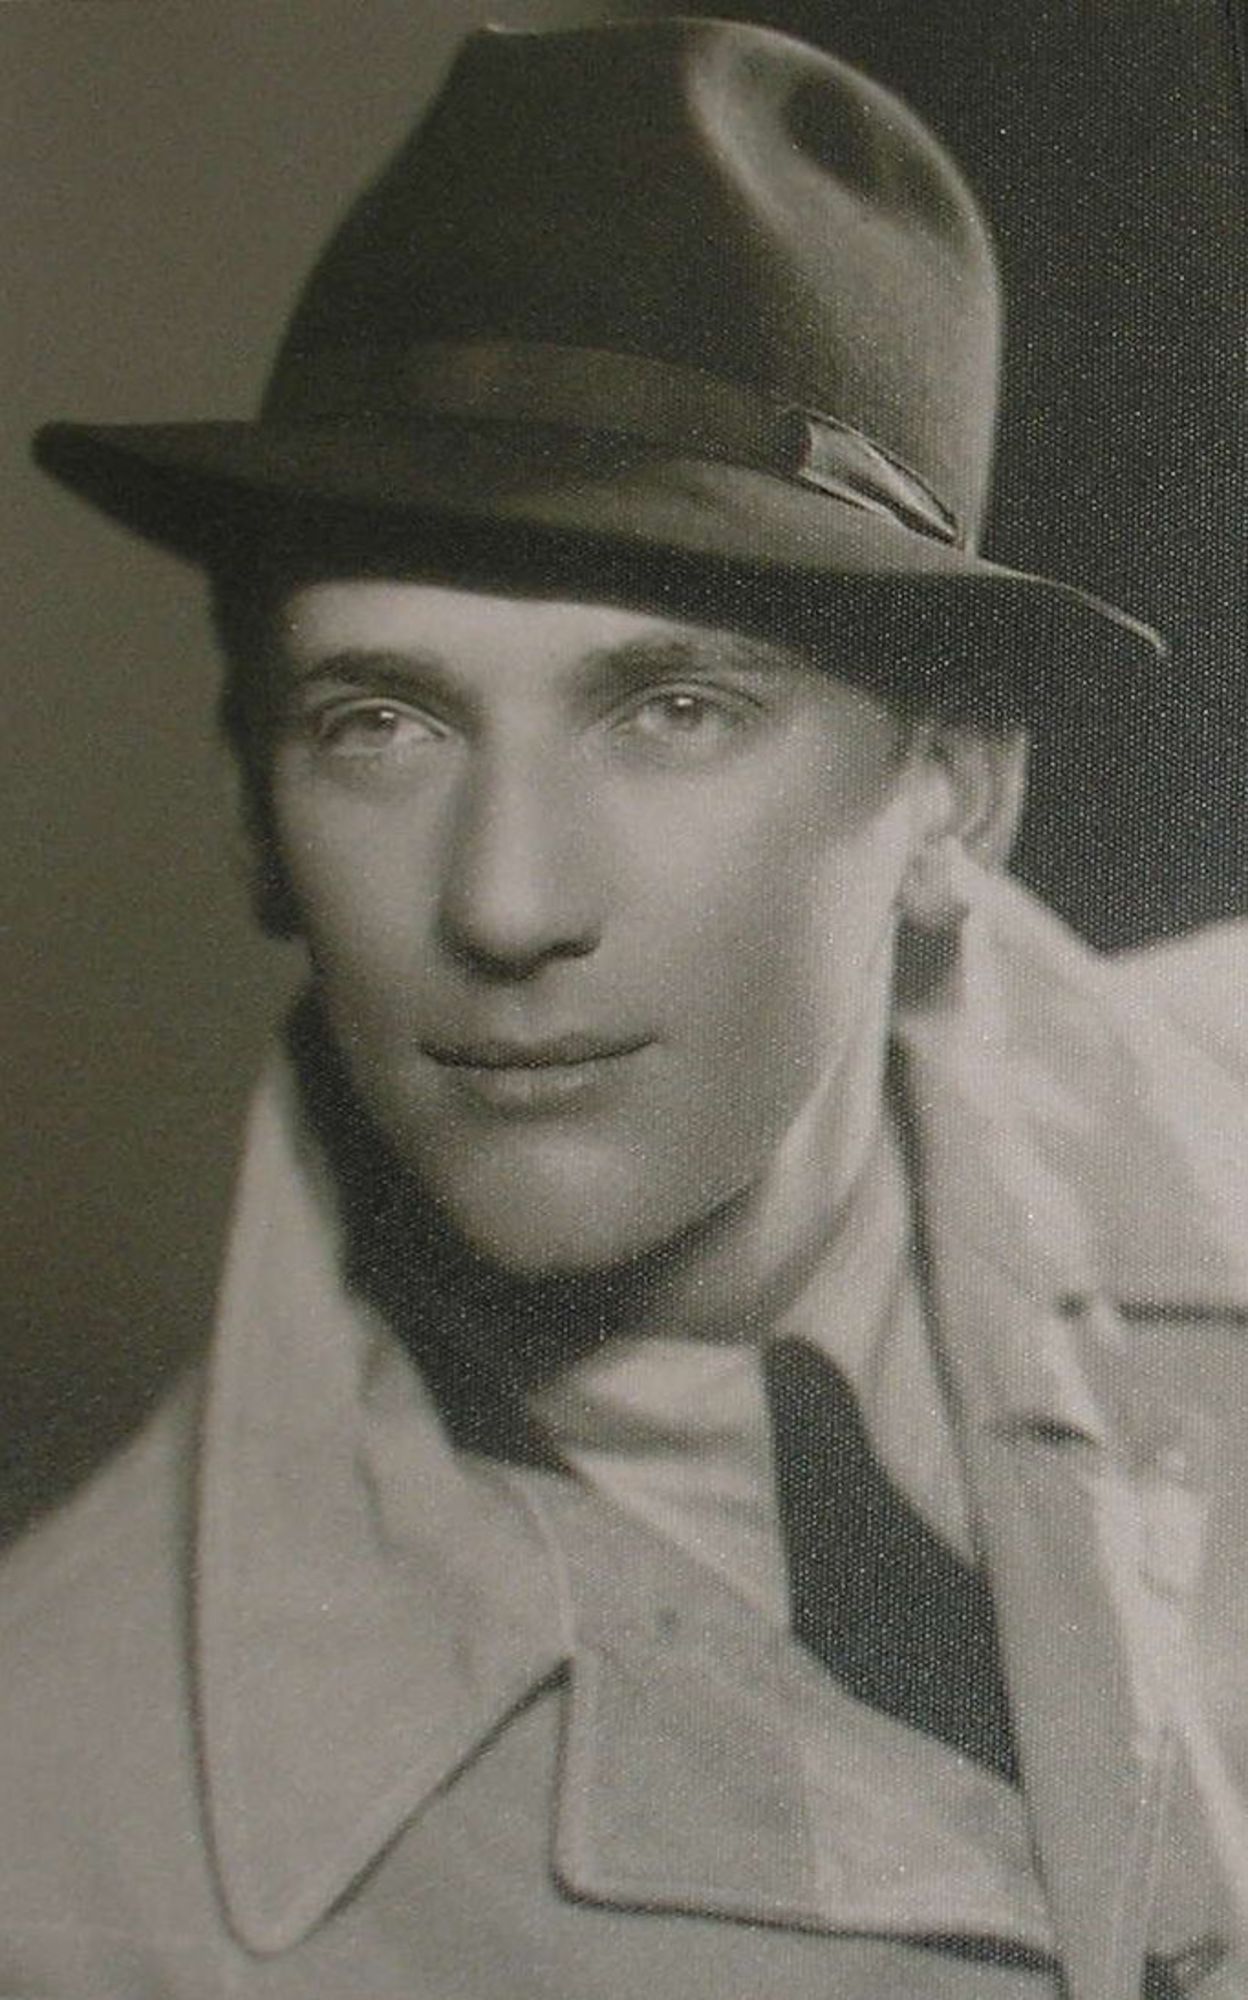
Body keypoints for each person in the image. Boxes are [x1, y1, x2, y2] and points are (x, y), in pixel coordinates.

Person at [4, 17, 1248, 1998]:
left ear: (951, 793)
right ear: (255, 812)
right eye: (379, 722)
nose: (503, 903)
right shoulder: (68, 1814)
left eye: (674, 707)